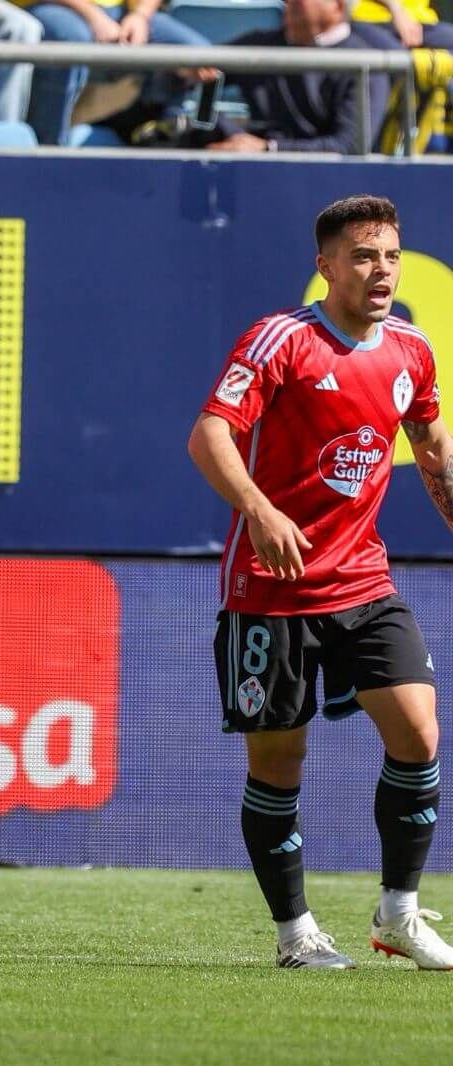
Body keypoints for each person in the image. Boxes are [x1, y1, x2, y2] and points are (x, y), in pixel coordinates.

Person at [186, 194, 453, 970]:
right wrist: (259, 509)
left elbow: (432, 448)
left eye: (391, 256)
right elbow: (209, 435)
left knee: (419, 732)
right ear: (326, 266)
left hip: (364, 582)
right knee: (278, 764)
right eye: (364, 256)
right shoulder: (282, 340)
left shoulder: (412, 349)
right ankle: (295, 933)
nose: (382, 271)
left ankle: (398, 913)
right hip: (273, 589)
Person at [203, 0, 388, 154]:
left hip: (322, 179)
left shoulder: (364, 65)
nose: (289, 2)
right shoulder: (261, 45)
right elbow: (202, 71)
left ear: (337, 6)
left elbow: (348, 146)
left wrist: (269, 149)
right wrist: (228, 130)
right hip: (248, 170)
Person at [20, 0, 212, 146]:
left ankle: (161, 138)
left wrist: (140, 15)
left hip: (121, 13)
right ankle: (49, 148)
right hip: (50, 6)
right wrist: (94, 17)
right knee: (70, 40)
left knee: (204, 57)